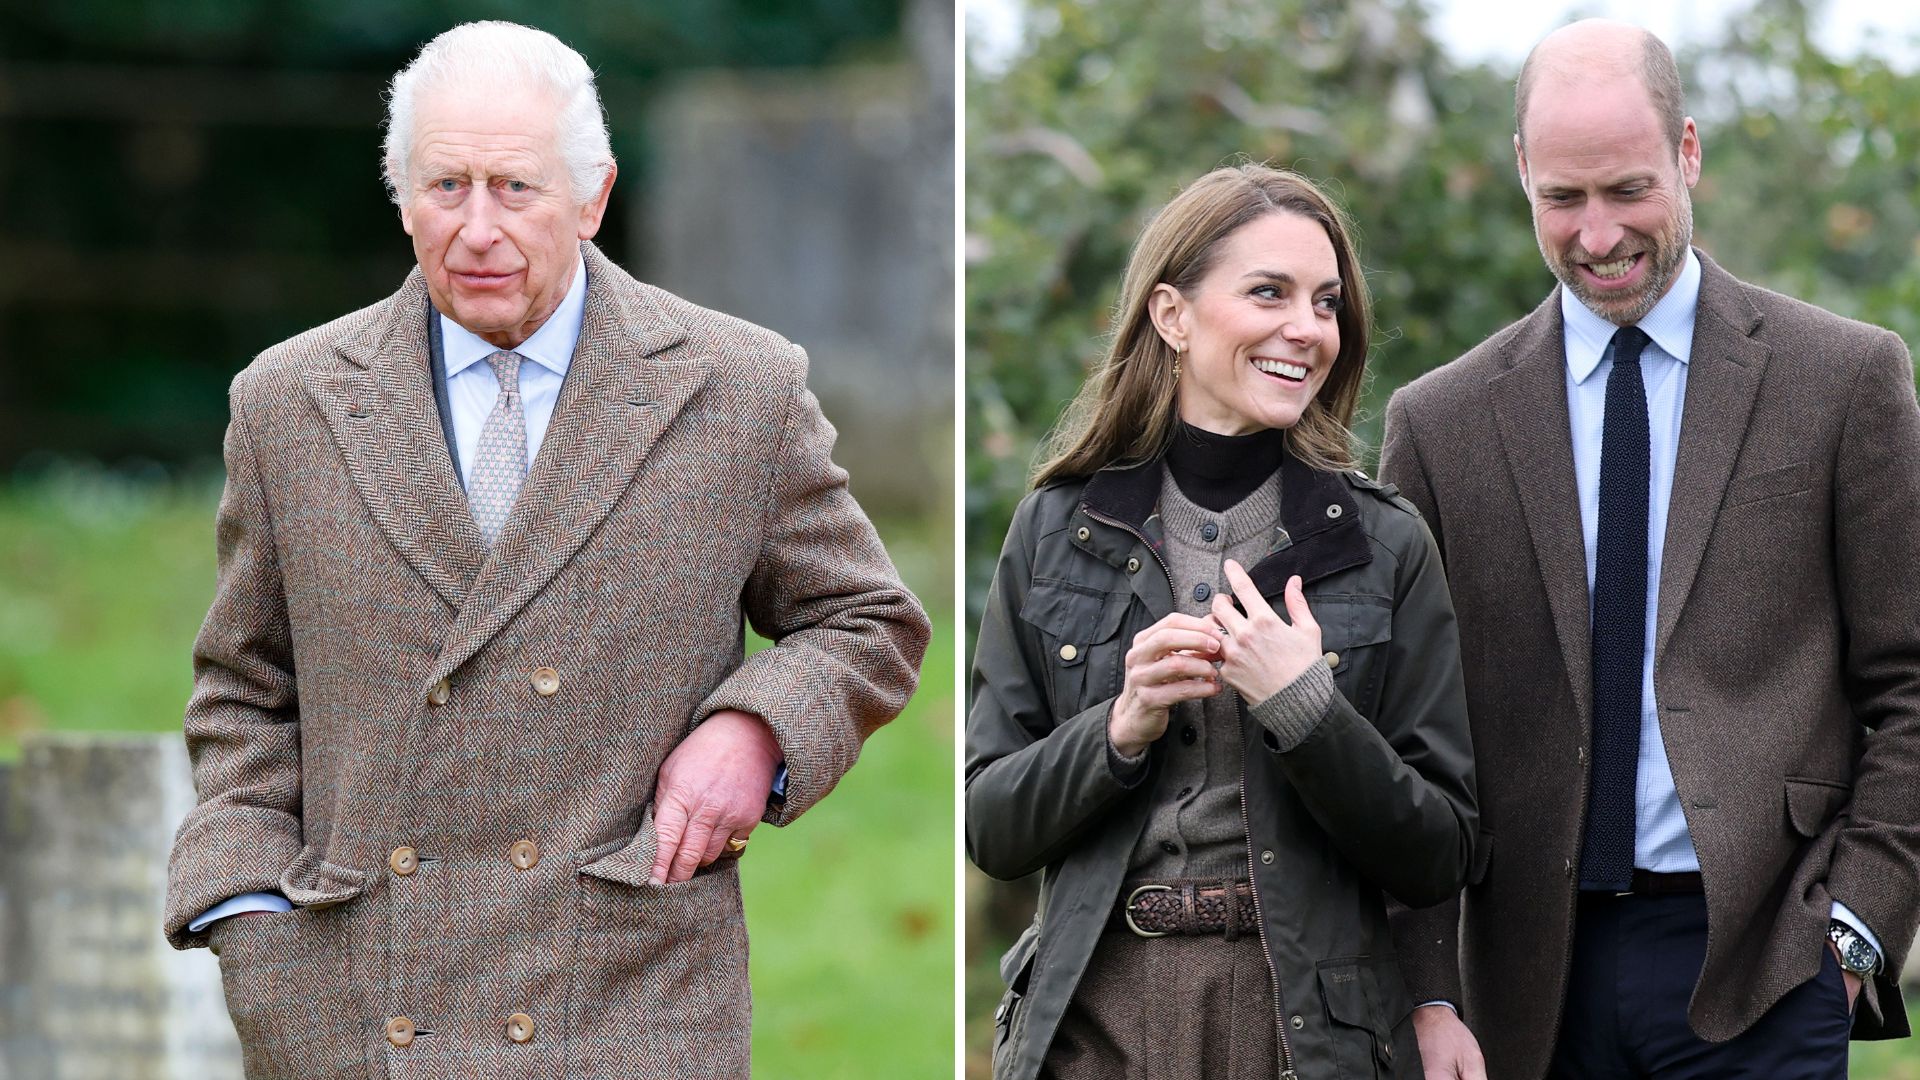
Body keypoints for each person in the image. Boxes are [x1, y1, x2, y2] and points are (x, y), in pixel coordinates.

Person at [161, 21, 929, 1078]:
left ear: (592, 197)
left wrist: (756, 730)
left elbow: (865, 620)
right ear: (401, 199)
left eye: (515, 188)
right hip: (355, 1009)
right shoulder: (288, 403)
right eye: (445, 187)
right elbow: (245, 692)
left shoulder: (739, 388)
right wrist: (248, 918)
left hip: (627, 1001)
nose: (477, 229)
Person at [1382, 19, 1920, 1080]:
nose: (1596, 234)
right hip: (1525, 981)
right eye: (1562, 199)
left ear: (1688, 152)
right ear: (1523, 176)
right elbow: (1407, 733)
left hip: (1767, 964)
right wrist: (1427, 987)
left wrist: (1854, 931)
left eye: (1627, 189)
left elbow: (1908, 677)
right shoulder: (1437, 425)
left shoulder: (1844, 379)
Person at [967, 164, 1477, 1080]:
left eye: (1325, 303)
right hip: (1095, 1023)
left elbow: (1441, 851)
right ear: (1172, 316)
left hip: (1308, 1034)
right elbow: (991, 829)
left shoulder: (1386, 545)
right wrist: (1118, 729)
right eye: (1268, 293)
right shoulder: (1055, 528)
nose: (1306, 329)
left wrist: (1309, 712)